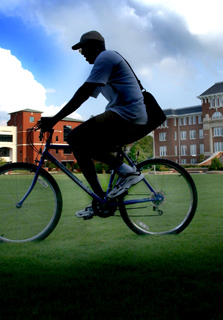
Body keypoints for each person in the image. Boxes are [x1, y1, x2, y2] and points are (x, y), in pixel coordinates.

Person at [38, 31, 148, 219]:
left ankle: (127, 173)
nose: (82, 53)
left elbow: (84, 92)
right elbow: (86, 92)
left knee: (74, 137)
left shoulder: (105, 57)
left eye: (84, 48)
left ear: (96, 46)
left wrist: (54, 119)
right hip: (125, 115)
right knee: (82, 144)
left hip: (127, 115)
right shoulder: (103, 63)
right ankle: (101, 200)